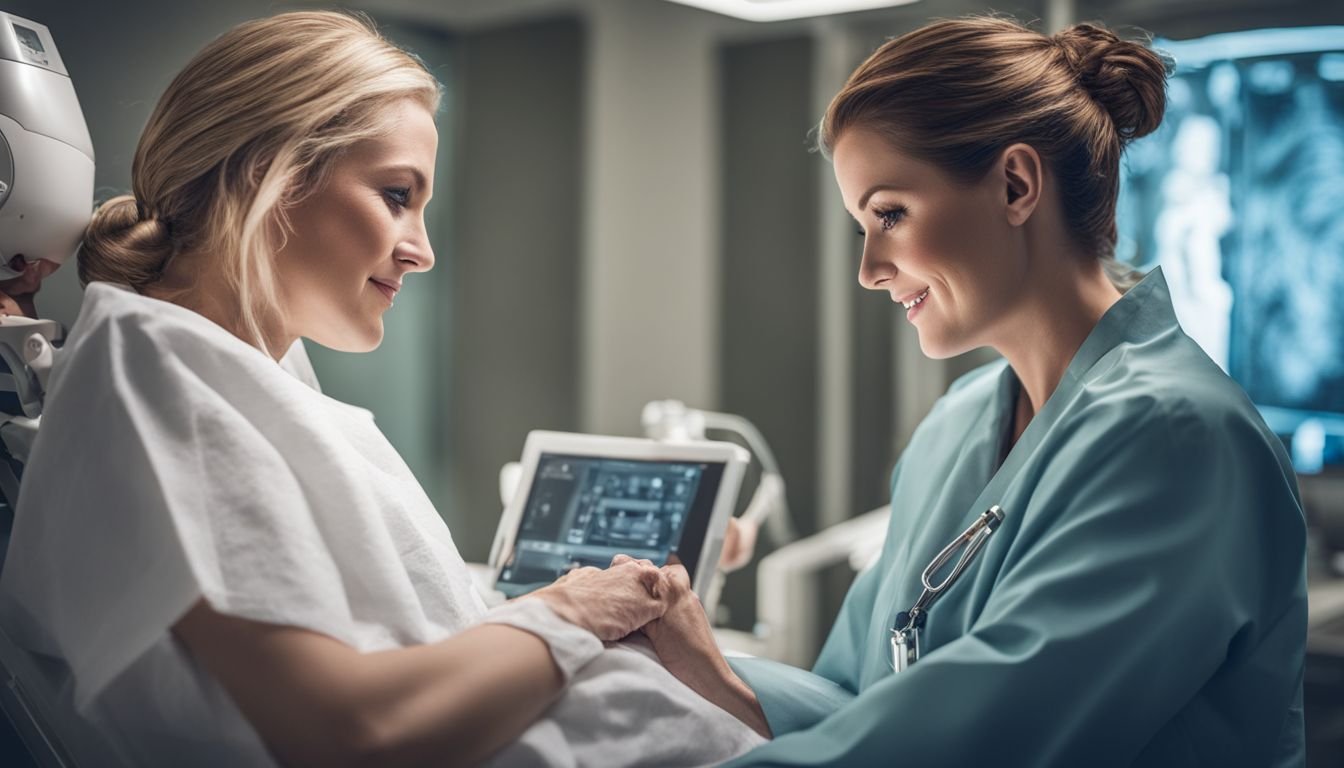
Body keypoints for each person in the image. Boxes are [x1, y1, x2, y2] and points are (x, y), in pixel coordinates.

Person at [0, 11, 764, 767]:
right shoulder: (155, 371)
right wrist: (571, 612)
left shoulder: (244, 371)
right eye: (397, 195)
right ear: (266, 175)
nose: (422, 250)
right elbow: (349, 732)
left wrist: (634, 641)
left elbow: (400, 644)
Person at [637, 17, 1308, 767]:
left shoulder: (1180, 438)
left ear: (1016, 185)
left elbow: (982, 743)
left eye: (890, 214)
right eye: (863, 225)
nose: (869, 270)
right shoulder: (954, 428)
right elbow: (861, 705)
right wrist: (700, 667)